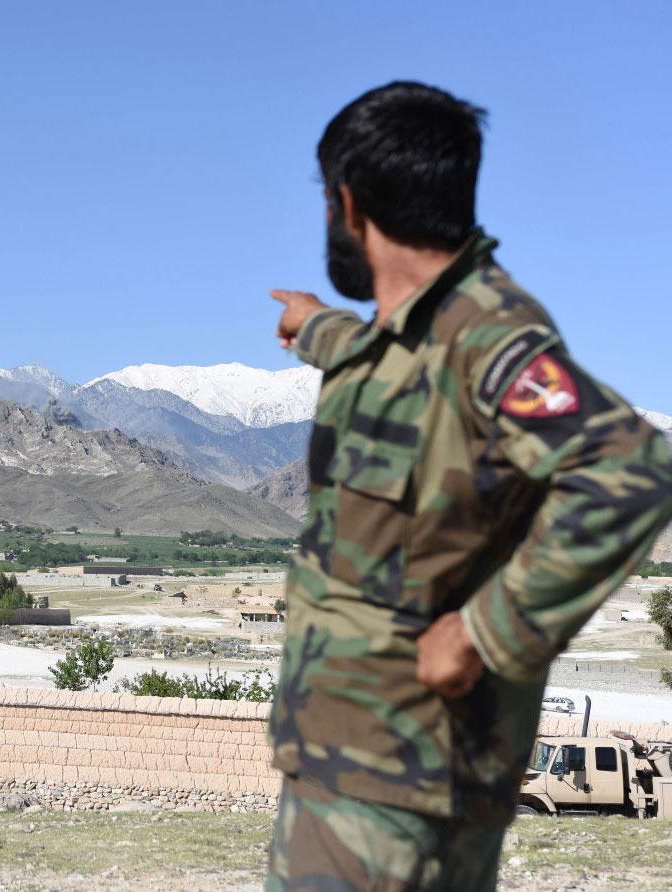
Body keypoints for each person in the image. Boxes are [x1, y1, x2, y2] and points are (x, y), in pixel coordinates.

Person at [266, 81, 672, 891]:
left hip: (399, 775)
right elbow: (398, 369)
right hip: (364, 763)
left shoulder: (485, 329)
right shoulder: (425, 328)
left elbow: (632, 471)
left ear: (349, 204)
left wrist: (485, 633)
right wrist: (314, 325)